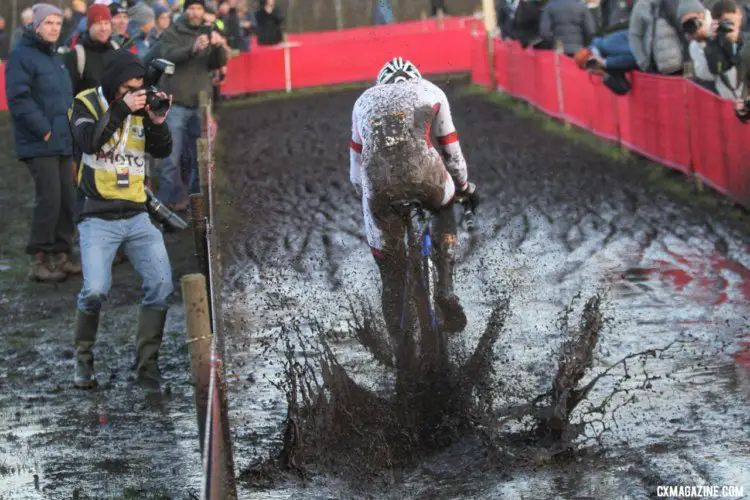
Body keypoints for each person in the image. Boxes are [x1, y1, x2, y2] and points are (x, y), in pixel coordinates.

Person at [349, 57, 478, 358]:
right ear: (415, 78)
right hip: (426, 174)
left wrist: (368, 197)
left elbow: (355, 171)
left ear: (381, 83)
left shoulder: (362, 102)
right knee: (445, 203)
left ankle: (399, 348)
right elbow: (451, 148)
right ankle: (445, 287)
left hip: (378, 183)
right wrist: (461, 185)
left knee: (389, 271)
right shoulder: (431, 90)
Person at [68, 49, 174, 389]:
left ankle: (148, 367)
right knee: (96, 290)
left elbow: (162, 150)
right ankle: (83, 361)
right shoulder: (85, 104)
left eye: (139, 87)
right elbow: (88, 141)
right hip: (96, 215)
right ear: (115, 85)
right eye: (129, 87)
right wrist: (122, 109)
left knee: (161, 285)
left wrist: (157, 121)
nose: (136, 92)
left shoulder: (138, 104)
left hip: (138, 213)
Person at [5, 3, 80, 282]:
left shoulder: (54, 57)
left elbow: (63, 99)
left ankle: (62, 255)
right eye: (48, 23)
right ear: (35, 25)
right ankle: (39, 260)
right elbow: (18, 98)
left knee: (66, 199)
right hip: (39, 141)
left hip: (61, 139)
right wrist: (44, 130)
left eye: (57, 24)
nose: (54, 28)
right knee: (49, 199)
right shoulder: (22, 56)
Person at [157, 0, 227, 211]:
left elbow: (217, 63)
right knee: (171, 159)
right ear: (185, 10)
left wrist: (218, 47)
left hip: (200, 105)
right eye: (192, 8)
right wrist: (192, 48)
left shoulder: (209, 30)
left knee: (200, 159)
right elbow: (167, 56)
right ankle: (165, 206)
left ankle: (196, 205)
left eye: (199, 9)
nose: (196, 13)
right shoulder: (172, 31)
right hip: (176, 104)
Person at [64, 4, 119, 97]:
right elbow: (68, 93)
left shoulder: (116, 49)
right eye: (98, 23)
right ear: (89, 26)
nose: (103, 28)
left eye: (106, 23)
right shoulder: (77, 55)